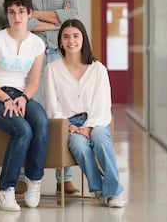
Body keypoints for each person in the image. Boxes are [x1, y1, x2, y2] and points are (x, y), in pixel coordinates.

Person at [11, 0, 80, 196]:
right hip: (29, 58)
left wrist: (33, 13)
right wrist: (56, 19)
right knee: (26, 113)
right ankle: (19, 175)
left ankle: (65, 178)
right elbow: (20, 22)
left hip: (62, 57)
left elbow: (72, 18)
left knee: (63, 115)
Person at [0, 0, 49, 211]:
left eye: (21, 11)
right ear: (7, 15)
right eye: (11, 12)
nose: (16, 17)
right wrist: (6, 99)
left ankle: (34, 181)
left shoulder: (37, 44)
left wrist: (24, 99)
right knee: (22, 130)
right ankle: (5, 189)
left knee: (40, 121)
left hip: (21, 95)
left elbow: (34, 82)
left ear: (29, 14)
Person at [44, 19, 125, 208]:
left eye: (75, 36)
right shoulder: (52, 69)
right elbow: (51, 105)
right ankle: (99, 189)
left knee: (100, 139)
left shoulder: (98, 69)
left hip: (96, 120)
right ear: (60, 41)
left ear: (83, 39)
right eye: (66, 37)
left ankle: (113, 193)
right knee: (78, 145)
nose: (71, 41)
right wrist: (69, 126)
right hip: (67, 123)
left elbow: (103, 103)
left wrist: (89, 126)